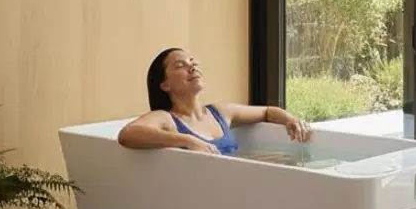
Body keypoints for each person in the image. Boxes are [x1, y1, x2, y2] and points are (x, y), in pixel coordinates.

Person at [117, 48, 312, 155]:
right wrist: (188, 140)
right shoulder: (166, 119)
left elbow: (268, 112)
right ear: (165, 85)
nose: (192, 68)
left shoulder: (220, 112)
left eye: (193, 63)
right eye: (180, 65)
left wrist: (291, 120)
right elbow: (128, 134)